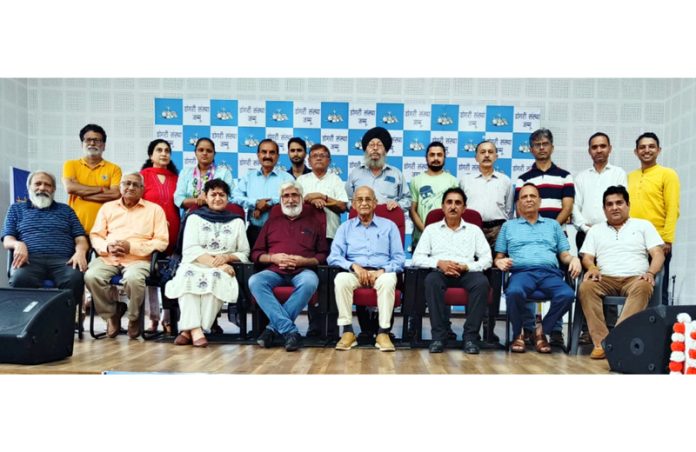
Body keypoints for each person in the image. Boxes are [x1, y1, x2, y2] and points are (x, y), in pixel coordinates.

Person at [578, 185, 665, 359]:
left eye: (619, 203)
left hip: (636, 278)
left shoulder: (643, 226)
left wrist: (650, 272)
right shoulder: (595, 230)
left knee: (644, 286)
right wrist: (593, 267)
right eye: (609, 204)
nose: (614, 207)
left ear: (628, 205)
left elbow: (658, 254)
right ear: (604, 209)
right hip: (605, 278)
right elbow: (587, 257)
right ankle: (601, 342)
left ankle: (616, 340)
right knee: (586, 287)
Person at [494, 183, 581, 353]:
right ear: (518, 203)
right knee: (514, 292)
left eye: (532, 196)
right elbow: (499, 256)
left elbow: (564, 255)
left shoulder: (553, 225)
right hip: (522, 273)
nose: (528, 200)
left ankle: (541, 332)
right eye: (524, 197)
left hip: (550, 274)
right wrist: (499, 262)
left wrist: (574, 258)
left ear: (540, 201)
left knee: (567, 294)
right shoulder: (508, 226)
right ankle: (519, 332)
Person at [164, 179, 249, 347]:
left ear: (228, 198)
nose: (217, 198)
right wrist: (218, 263)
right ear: (206, 197)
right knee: (187, 279)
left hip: (223, 266)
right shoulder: (194, 218)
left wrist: (227, 258)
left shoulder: (237, 221)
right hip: (194, 263)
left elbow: (245, 252)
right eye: (213, 194)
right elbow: (190, 250)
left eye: (222, 195)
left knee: (216, 278)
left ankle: (189, 331)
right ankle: (197, 331)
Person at [84, 172, 169, 339]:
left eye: (135, 185)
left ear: (142, 189)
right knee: (91, 276)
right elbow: (95, 235)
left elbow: (162, 241)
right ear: (120, 187)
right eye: (127, 183)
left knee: (133, 279)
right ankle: (112, 314)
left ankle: (134, 318)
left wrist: (132, 247)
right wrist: (107, 247)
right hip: (109, 257)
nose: (130, 187)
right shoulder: (107, 208)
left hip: (139, 260)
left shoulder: (155, 210)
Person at [248, 181, 328, 351]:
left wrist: (303, 261)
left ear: (301, 198)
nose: (290, 199)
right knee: (255, 281)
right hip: (274, 271)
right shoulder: (271, 223)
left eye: (294, 195)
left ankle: (271, 329)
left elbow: (322, 255)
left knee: (310, 282)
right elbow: (255, 254)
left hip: (303, 271)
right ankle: (289, 331)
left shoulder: (314, 223)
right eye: (286, 196)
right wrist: (273, 258)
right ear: (281, 199)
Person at [412, 187, 491, 354]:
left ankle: (470, 338)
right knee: (431, 281)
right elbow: (417, 258)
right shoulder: (431, 229)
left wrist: (467, 266)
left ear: (464, 208)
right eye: (449, 202)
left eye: (457, 203)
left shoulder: (474, 230)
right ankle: (439, 338)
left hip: (467, 272)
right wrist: (439, 263)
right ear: (442, 206)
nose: (453, 206)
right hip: (439, 272)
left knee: (482, 282)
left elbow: (487, 259)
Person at [515, 128, 575, 346]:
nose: (541, 148)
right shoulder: (523, 179)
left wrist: (549, 230)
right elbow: (519, 207)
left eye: (545, 143)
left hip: (557, 237)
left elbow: (567, 207)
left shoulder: (564, 176)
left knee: (557, 283)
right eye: (537, 144)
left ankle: (554, 330)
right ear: (531, 149)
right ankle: (529, 329)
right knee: (527, 278)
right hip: (529, 238)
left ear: (552, 146)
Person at [328, 186, 405, 352]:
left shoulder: (389, 226)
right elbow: (333, 256)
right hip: (355, 273)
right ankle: (348, 332)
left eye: (368, 199)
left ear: (375, 203)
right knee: (340, 279)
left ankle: (383, 333)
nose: (364, 203)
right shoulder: (345, 228)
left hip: (380, 272)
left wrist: (381, 271)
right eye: (360, 200)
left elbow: (399, 259)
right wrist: (354, 266)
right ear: (354, 204)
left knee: (389, 279)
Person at [2, 171, 88, 312]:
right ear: (29, 187)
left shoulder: (66, 210)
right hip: (29, 260)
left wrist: (80, 251)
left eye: (47, 185)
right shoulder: (16, 209)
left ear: (53, 189)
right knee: (20, 278)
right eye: (38, 183)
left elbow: (80, 238)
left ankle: (69, 319)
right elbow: (7, 239)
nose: (42, 188)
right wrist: (18, 244)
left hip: (63, 261)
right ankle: (25, 320)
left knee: (75, 277)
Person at [571, 132, 627, 343]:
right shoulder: (581, 177)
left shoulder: (619, 174)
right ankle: (588, 330)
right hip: (586, 235)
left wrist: (605, 227)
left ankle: (611, 330)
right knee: (589, 282)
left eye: (603, 146)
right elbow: (575, 208)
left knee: (611, 277)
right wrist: (587, 228)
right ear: (589, 151)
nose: (599, 150)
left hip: (613, 234)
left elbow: (621, 203)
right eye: (594, 147)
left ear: (609, 148)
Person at [296, 143, 349, 337]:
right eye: (315, 155)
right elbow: (293, 203)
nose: (319, 158)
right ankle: (314, 326)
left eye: (323, 155)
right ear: (308, 160)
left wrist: (323, 197)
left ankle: (333, 328)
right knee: (313, 281)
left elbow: (343, 206)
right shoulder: (302, 180)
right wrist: (309, 199)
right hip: (306, 237)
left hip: (331, 236)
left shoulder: (335, 180)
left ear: (329, 160)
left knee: (333, 282)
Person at [627, 132, 680, 306]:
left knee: (658, 287)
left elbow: (673, 209)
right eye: (642, 147)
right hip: (633, 240)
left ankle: (660, 330)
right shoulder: (630, 177)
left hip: (658, 241)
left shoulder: (668, 174)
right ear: (636, 152)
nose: (646, 150)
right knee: (635, 286)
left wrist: (667, 239)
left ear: (659, 150)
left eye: (651, 146)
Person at [140, 138, 181, 334]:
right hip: (150, 232)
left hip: (174, 230)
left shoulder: (177, 178)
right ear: (151, 155)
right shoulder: (143, 176)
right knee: (150, 273)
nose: (164, 153)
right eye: (159, 150)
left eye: (167, 150)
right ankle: (153, 318)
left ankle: (169, 318)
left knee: (170, 274)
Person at [233, 138, 294, 248]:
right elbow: (234, 197)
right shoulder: (249, 177)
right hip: (254, 231)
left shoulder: (287, 178)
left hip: (281, 231)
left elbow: (292, 198)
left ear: (277, 156)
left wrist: (268, 203)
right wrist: (256, 203)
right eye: (264, 152)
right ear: (258, 155)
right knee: (252, 264)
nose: (267, 156)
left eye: (272, 152)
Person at [62, 124, 122, 234]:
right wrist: (103, 189)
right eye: (88, 140)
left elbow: (115, 194)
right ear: (82, 144)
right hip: (76, 230)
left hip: (105, 230)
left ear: (104, 145)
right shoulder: (71, 164)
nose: (92, 143)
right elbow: (70, 188)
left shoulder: (114, 169)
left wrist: (82, 194)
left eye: (97, 140)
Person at [459, 140, 514, 250]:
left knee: (498, 264)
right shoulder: (465, 180)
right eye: (483, 152)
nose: (487, 155)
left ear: (496, 156)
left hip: (498, 231)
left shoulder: (505, 181)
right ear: (476, 157)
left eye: (490, 152)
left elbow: (509, 210)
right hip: (472, 229)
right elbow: (461, 207)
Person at [345, 126, 410, 211]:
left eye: (379, 145)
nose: (375, 148)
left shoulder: (396, 173)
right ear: (366, 150)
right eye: (371, 145)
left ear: (385, 150)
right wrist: (355, 205)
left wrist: (398, 205)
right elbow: (346, 200)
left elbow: (407, 199)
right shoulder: (355, 173)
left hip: (388, 221)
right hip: (361, 221)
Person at [409, 141, 458, 249]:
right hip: (421, 238)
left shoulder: (453, 181)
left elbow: (456, 210)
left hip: (447, 237)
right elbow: (412, 210)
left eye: (439, 155)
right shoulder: (416, 181)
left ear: (444, 158)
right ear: (426, 158)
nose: (436, 158)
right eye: (432, 155)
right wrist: (426, 230)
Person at [173, 137, 234, 214]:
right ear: (195, 153)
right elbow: (178, 199)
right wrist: (198, 200)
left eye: (209, 151)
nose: (204, 153)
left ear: (214, 154)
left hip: (217, 218)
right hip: (191, 218)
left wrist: (207, 199)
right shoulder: (185, 172)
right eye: (201, 150)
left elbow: (232, 198)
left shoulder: (224, 173)